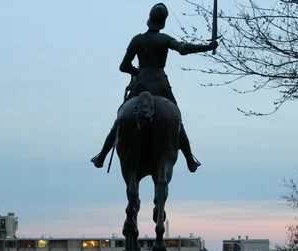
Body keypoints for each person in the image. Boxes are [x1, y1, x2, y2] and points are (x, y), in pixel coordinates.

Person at [91, 3, 218, 173]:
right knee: (177, 121)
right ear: (163, 22)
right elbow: (182, 49)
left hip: (140, 84)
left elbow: (123, 66)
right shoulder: (165, 39)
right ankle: (190, 160)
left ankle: (102, 156)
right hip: (161, 86)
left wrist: (137, 72)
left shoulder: (137, 39)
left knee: (119, 122)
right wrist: (207, 47)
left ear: (149, 20)